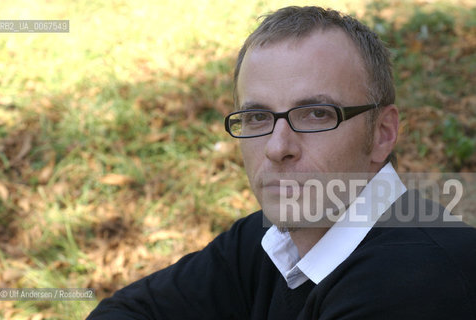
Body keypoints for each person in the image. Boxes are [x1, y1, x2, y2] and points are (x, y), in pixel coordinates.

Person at [87, 6, 476, 319]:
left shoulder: (417, 280)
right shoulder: (269, 242)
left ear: (383, 133)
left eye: (316, 114)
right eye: (257, 117)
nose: (277, 147)